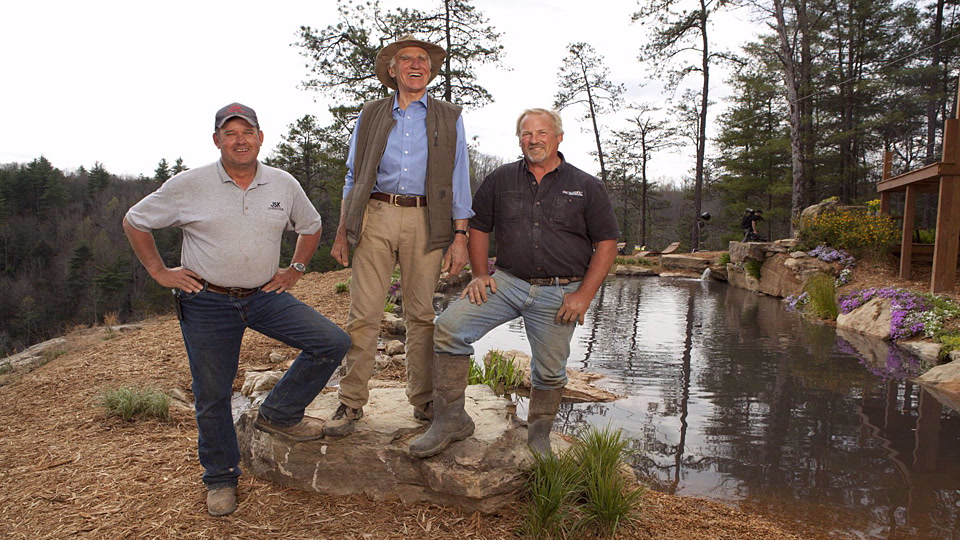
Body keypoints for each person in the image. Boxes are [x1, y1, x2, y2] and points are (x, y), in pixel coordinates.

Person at [122, 102, 351, 517]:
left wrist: (296, 269)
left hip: (264, 296)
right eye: (230, 133)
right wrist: (159, 271)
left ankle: (279, 412)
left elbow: (311, 225)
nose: (240, 140)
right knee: (212, 394)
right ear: (217, 140)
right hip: (207, 301)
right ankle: (221, 477)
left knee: (331, 341)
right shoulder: (189, 185)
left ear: (260, 138)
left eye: (247, 132)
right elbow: (135, 221)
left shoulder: (282, 183)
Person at [408, 108, 620, 459]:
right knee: (448, 328)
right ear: (519, 139)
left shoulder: (586, 186)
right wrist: (480, 274)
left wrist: (583, 295)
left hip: (559, 292)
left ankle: (538, 436)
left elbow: (607, 244)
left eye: (542, 133)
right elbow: (479, 227)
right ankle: (450, 420)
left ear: (558, 138)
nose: (534, 140)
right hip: (506, 283)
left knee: (550, 371)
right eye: (526, 134)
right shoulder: (500, 179)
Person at [326, 35, 473, 436]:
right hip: (374, 215)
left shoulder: (449, 116)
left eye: (422, 59)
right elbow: (353, 175)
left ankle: (423, 401)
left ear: (431, 70)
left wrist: (460, 235)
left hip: (427, 219)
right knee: (364, 313)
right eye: (406, 58)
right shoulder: (371, 113)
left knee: (421, 315)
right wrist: (342, 230)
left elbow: (459, 176)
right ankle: (351, 401)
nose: (415, 64)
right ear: (392, 70)